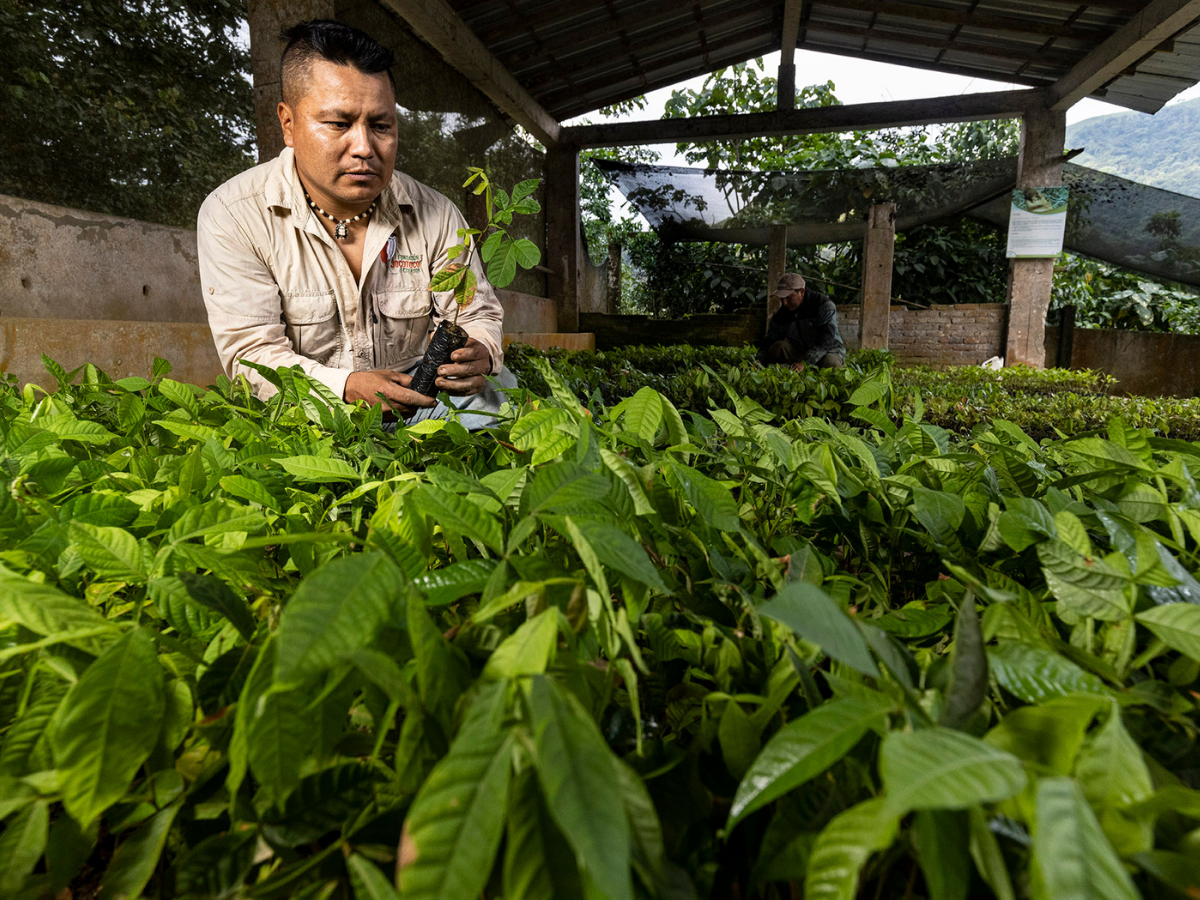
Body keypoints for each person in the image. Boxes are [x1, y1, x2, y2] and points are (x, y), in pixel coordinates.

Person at [197, 20, 515, 431]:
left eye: (381, 126)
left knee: (504, 405)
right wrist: (345, 387)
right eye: (338, 124)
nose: (364, 147)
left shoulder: (437, 214)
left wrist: (482, 351)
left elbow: (477, 313)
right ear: (288, 124)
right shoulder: (235, 214)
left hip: (428, 402)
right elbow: (253, 355)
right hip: (311, 411)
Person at [757, 273, 846, 370]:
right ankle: (797, 368)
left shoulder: (824, 305)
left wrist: (805, 362)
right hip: (801, 351)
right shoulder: (782, 313)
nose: (784, 303)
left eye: (788, 297)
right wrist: (759, 360)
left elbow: (826, 341)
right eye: (781, 299)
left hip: (828, 350)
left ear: (802, 292)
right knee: (778, 347)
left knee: (831, 363)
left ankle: (803, 369)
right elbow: (770, 340)